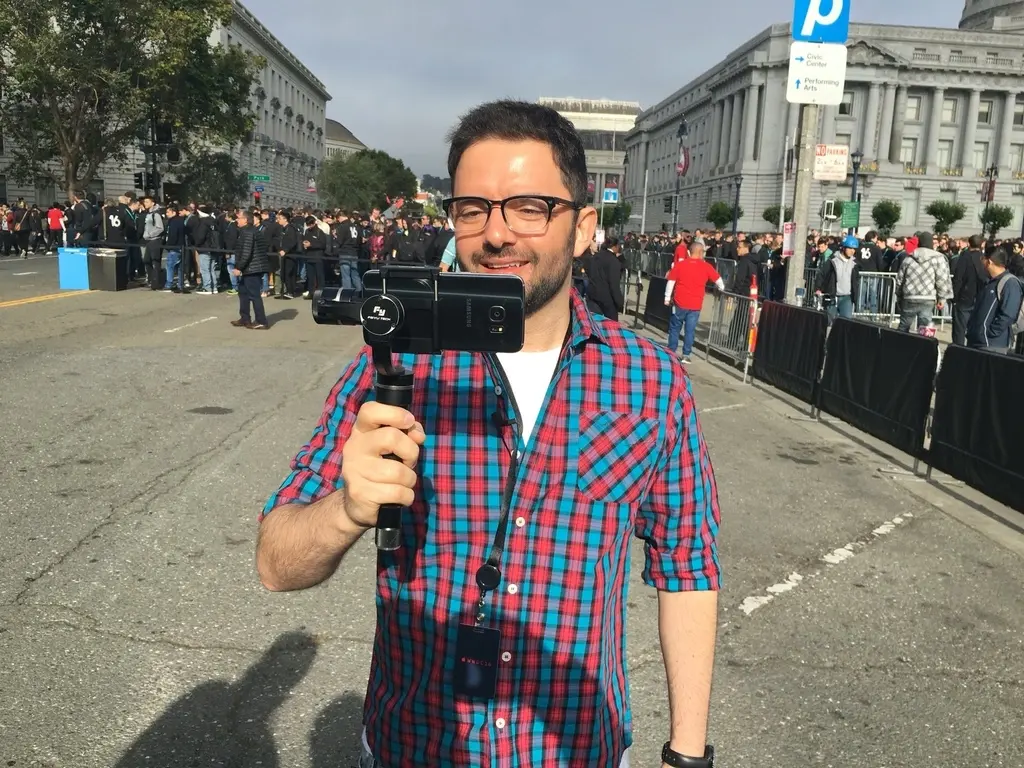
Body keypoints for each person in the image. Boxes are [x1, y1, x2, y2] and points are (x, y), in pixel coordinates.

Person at [257, 100, 721, 768]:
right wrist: (348, 510)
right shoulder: (400, 363)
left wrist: (687, 753)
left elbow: (688, 566)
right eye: (472, 209)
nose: (497, 234)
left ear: (583, 226)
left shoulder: (649, 380)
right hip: (417, 747)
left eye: (529, 207)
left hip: (573, 749)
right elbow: (277, 564)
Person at [664, 241, 724, 363]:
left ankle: (671, 351)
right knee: (690, 330)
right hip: (696, 304)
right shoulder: (706, 266)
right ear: (701, 252)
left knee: (675, 327)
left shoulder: (680, 265)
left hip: (679, 302)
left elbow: (671, 282)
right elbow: (719, 280)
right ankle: (686, 354)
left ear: (688, 252)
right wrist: (721, 288)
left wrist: (666, 298)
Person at [966, 247, 1024, 352]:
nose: (981, 263)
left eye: (982, 259)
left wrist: (990, 332)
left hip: (992, 345)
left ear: (989, 262)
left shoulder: (1010, 283)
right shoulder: (988, 281)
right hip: (976, 341)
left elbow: (1008, 314)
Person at [894, 231, 952, 333]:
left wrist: (899, 295)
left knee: (904, 325)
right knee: (925, 328)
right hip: (928, 297)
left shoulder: (908, 258)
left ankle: (899, 346)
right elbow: (941, 279)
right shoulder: (938, 258)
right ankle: (924, 347)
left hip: (909, 296)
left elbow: (900, 279)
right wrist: (942, 298)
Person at [231, 210, 270, 329]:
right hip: (251, 267)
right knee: (243, 292)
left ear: (246, 220)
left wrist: (239, 268)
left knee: (254, 295)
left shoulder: (248, 232)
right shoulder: (248, 231)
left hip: (253, 268)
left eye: (239, 218)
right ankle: (245, 318)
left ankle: (261, 321)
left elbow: (246, 252)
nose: (237, 220)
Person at [815, 234, 860, 321]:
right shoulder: (832, 260)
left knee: (846, 323)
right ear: (843, 247)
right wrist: (818, 288)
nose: (852, 251)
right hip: (832, 296)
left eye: (854, 249)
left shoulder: (854, 263)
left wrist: (854, 296)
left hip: (847, 297)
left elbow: (856, 280)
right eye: (850, 248)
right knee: (829, 322)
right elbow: (822, 274)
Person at [584, 235, 625, 321]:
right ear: (615, 246)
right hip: (608, 299)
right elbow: (614, 284)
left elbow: (589, 272)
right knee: (611, 327)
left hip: (593, 295)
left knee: (594, 324)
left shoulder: (595, 257)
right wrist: (619, 301)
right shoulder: (613, 261)